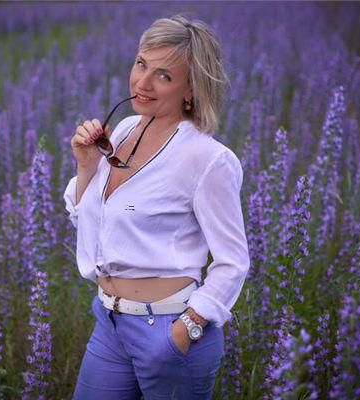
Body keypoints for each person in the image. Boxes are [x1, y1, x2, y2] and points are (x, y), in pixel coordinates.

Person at [63, 14, 250, 400]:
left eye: (163, 75)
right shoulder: (126, 129)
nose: (142, 83)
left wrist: (185, 329)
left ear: (191, 90)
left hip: (168, 329)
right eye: (141, 64)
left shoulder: (206, 159)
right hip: (109, 323)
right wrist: (86, 167)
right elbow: (94, 222)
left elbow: (233, 262)